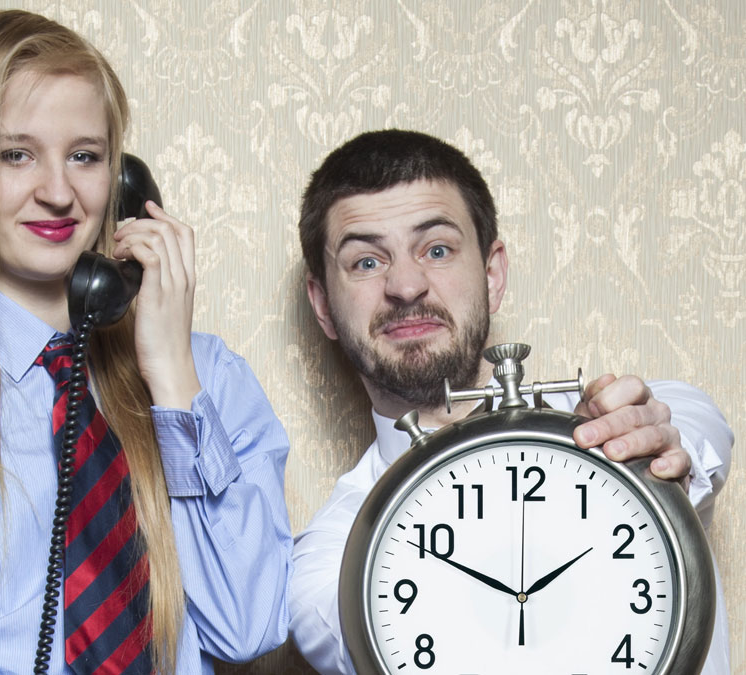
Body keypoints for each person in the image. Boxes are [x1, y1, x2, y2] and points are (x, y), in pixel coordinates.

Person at [0, 10, 291, 674]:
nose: (58, 192)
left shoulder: (208, 381)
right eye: (16, 154)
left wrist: (169, 374)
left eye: (84, 155)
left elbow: (248, 625)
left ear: (122, 178)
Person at [289, 129, 732, 674]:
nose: (406, 285)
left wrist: (659, 455)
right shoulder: (331, 555)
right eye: (366, 262)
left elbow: (697, 422)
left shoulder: (621, 418)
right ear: (323, 306)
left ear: (493, 275)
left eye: (437, 249)